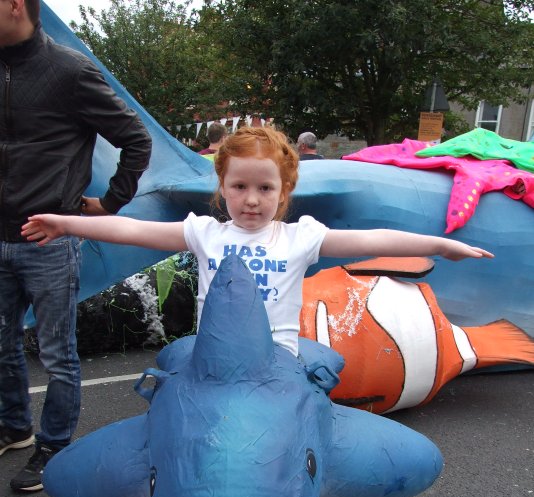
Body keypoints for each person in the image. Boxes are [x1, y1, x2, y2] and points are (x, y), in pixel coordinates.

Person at [22, 126, 493, 362]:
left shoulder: (300, 238)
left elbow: (372, 238)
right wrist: (67, 224)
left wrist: (438, 245)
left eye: (265, 188)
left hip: (278, 365)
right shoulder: (205, 234)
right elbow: (130, 230)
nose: (251, 199)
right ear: (223, 189)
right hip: (214, 359)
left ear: (283, 192)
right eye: (240, 187)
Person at [0, 0, 152, 493]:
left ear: (15, 5)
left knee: (56, 352)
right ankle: (15, 427)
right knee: (1, 344)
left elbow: (136, 139)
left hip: (47, 241)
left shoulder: (69, 70)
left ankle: (54, 444)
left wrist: (110, 203)